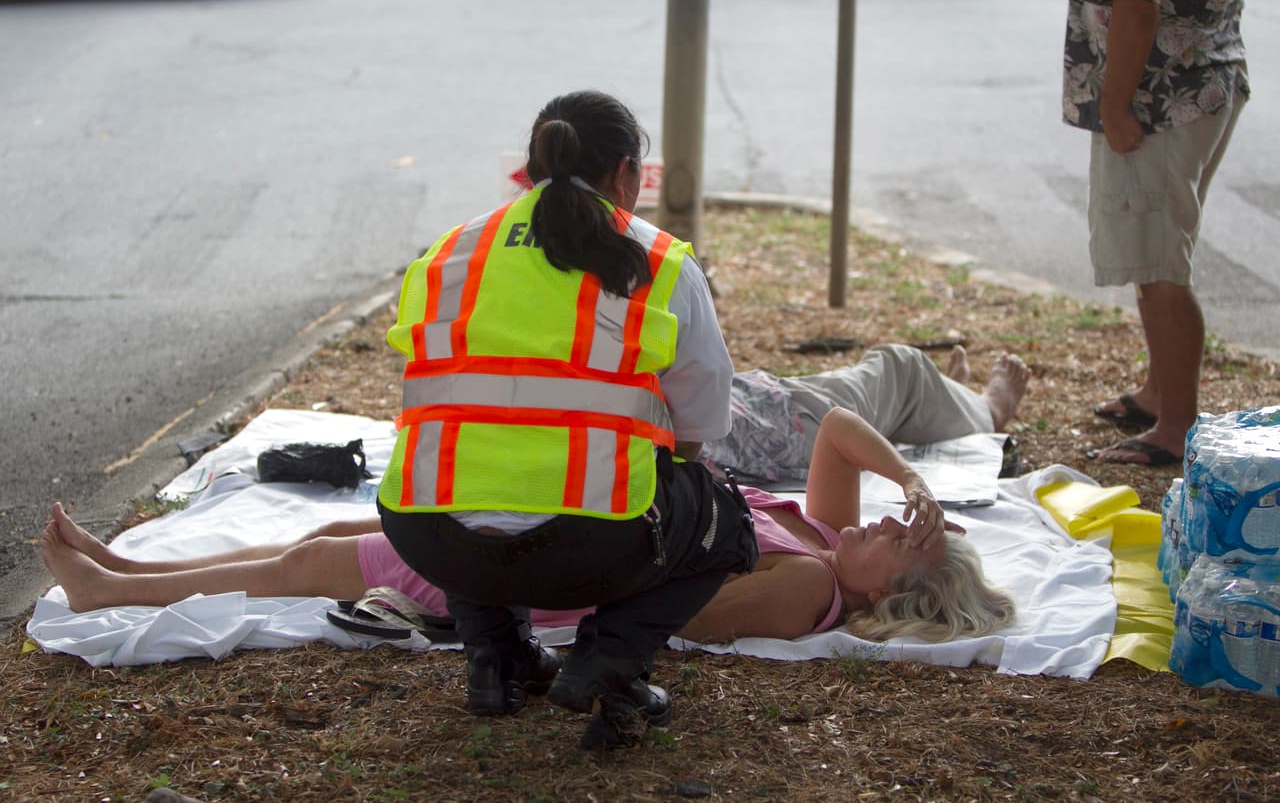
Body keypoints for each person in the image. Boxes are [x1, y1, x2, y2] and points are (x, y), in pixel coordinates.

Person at [372, 90, 764, 749]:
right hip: (591, 544)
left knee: (471, 483)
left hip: (429, 532)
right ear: (626, 175)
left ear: (530, 167)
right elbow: (695, 430)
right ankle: (610, 658)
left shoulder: (449, 251)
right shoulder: (659, 261)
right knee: (725, 519)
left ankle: (496, 657)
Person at [39, 406, 1016, 648]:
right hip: (579, 537)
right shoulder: (824, 537)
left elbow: (689, 615)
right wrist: (906, 476)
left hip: (559, 576)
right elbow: (840, 434)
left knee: (311, 565)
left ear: (893, 592)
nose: (888, 520)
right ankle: (122, 567)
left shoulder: (813, 585)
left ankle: (111, 590)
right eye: (901, 516)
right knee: (320, 538)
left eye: (902, 536)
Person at [1062, 0, 1248, 466]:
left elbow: (1137, 8)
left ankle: (1177, 427)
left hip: (1160, 100)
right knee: (1154, 255)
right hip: (1205, 81)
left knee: (1162, 266)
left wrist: (1115, 106)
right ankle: (1159, 393)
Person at [704, 344, 1029, 484]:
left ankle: (946, 402)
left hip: (757, 413)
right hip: (781, 429)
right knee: (902, 369)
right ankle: (985, 411)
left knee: (883, 386)